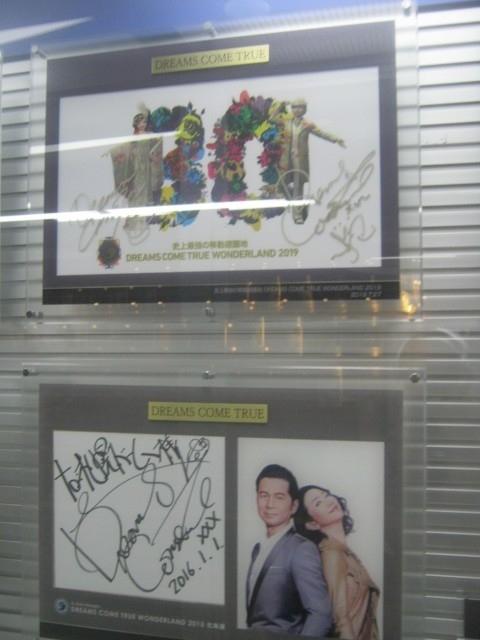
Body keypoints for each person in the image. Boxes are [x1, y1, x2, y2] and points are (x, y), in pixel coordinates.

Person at [246, 464, 332, 636]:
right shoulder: (257, 549)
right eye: (264, 495)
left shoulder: (301, 548)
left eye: (279, 497)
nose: (269, 504)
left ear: (294, 506)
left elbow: (321, 614)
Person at [295, 485, 380, 640]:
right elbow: (341, 620)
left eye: (326, 495)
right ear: (312, 524)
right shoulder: (332, 554)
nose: (329, 501)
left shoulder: (343, 552)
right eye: (318, 503)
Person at [279, 98, 345, 224]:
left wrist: (336, 139)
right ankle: (285, 206)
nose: (297, 110)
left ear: (305, 109)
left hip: (299, 161)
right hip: (285, 160)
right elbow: (272, 118)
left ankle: (297, 215)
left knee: (298, 187)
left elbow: (321, 133)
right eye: (294, 107)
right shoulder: (286, 121)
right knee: (282, 185)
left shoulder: (307, 124)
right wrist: (281, 105)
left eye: (300, 107)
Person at [110, 109, 164, 207]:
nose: (142, 124)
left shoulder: (150, 137)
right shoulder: (133, 140)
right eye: (140, 122)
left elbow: (156, 147)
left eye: (144, 122)